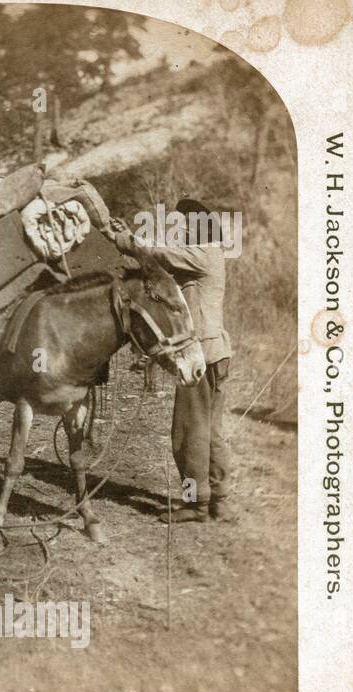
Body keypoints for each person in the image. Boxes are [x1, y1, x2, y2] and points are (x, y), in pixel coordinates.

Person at [109, 198, 235, 524]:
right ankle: (218, 497)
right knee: (211, 429)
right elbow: (158, 264)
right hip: (217, 352)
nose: (180, 231)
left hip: (202, 355)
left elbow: (160, 254)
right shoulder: (205, 255)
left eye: (185, 225)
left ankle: (195, 503)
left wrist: (126, 242)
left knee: (188, 431)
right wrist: (131, 243)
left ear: (198, 227)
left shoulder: (203, 251)